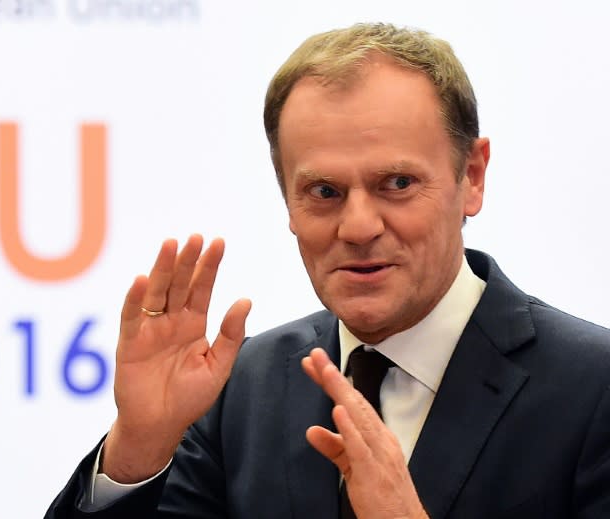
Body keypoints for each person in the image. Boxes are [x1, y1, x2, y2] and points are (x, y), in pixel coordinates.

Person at [46, 23, 610, 518]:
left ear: (473, 176)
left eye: (397, 183)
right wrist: (137, 451)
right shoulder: (239, 390)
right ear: (286, 201)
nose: (358, 226)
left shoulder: (593, 389)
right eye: (324, 191)